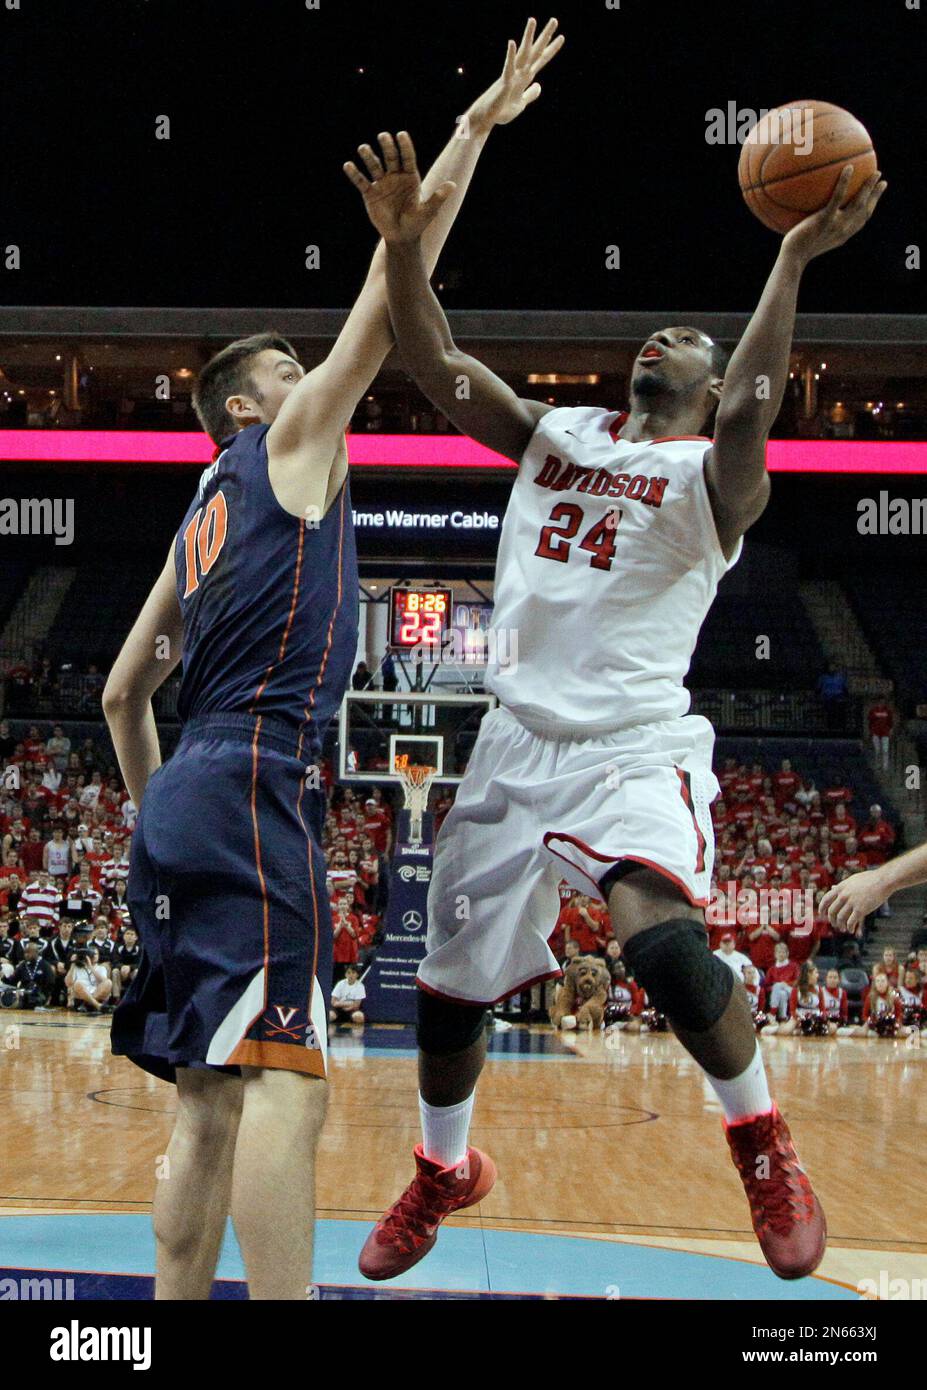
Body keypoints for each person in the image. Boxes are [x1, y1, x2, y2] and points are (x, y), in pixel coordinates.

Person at [349, 119, 883, 1282]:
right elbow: (432, 356)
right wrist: (401, 246)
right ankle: (444, 1168)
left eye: (689, 336)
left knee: (660, 935)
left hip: (630, 745)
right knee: (447, 993)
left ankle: (760, 1138)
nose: (666, 336)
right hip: (510, 741)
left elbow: (751, 406)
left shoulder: (713, 480)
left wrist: (790, 259)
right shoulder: (558, 434)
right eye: (661, 330)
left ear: (705, 380)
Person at [100, 22, 564, 1302]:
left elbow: (120, 690)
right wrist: (467, 142)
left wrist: (162, 821)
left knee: (205, 1093)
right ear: (250, 405)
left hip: (187, 787)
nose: (317, 384)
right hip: (255, 784)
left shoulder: (194, 516)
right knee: (286, 1087)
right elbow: (386, 302)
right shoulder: (283, 446)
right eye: (290, 375)